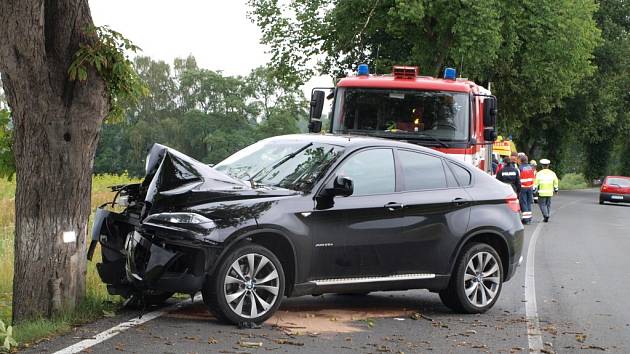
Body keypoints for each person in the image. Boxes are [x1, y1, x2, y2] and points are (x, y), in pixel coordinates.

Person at [518, 155, 536, 224]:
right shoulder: (531, 167)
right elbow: (533, 178)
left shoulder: (520, 168)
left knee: (523, 203)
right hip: (530, 187)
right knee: (528, 202)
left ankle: (526, 219)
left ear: (521, 160)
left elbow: (518, 178)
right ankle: (529, 218)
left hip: (523, 187)